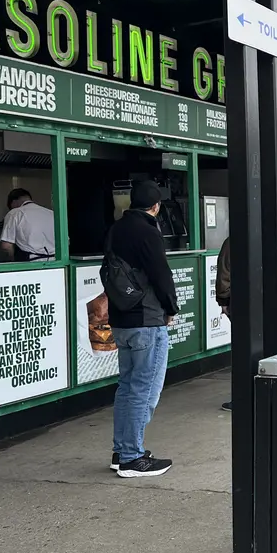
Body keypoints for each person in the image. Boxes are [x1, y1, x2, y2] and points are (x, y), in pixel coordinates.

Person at [105, 180, 178, 478]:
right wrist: (171, 308)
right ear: (156, 206)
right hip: (146, 320)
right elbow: (161, 274)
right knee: (144, 390)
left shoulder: (116, 229)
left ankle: (121, 452)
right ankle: (132, 458)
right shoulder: (149, 232)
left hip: (120, 320)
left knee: (127, 387)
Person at [215, 237, 277, 412]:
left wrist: (224, 300)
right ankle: (272, 393)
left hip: (242, 303)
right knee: (271, 348)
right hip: (273, 303)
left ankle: (243, 398)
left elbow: (224, 273)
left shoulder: (233, 240)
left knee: (243, 351)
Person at [0, 188, 55, 261]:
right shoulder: (51, 213)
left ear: (13, 202)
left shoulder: (14, 213)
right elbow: (66, 242)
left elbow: (6, 246)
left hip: (30, 264)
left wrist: (12, 262)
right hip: (56, 264)